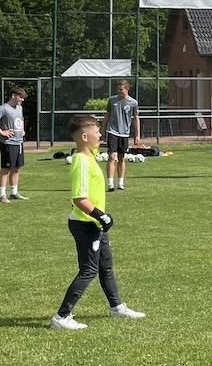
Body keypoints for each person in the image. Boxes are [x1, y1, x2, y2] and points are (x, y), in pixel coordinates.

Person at [49, 115, 146, 330]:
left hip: (95, 224)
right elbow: (79, 198)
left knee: (106, 266)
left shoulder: (90, 156)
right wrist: (100, 215)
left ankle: (116, 307)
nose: (101, 134)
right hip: (86, 224)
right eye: (96, 130)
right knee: (89, 270)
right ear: (84, 136)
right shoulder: (81, 163)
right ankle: (61, 316)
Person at [0, 87, 29, 203]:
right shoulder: (4, 108)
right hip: (8, 143)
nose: (22, 100)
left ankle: (14, 193)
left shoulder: (19, 108)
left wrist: (22, 130)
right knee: (6, 169)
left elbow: (21, 120)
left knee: (16, 168)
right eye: (21, 97)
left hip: (18, 142)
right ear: (13, 96)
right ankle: (2, 195)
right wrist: (1, 132)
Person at [104, 80, 141, 192]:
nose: (119, 91)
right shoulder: (112, 100)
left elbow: (136, 118)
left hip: (124, 133)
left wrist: (137, 135)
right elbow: (107, 115)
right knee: (111, 156)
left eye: (121, 89)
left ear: (126, 89)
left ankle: (120, 182)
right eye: (118, 89)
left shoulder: (133, 103)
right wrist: (103, 129)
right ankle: (110, 183)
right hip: (112, 131)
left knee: (121, 158)